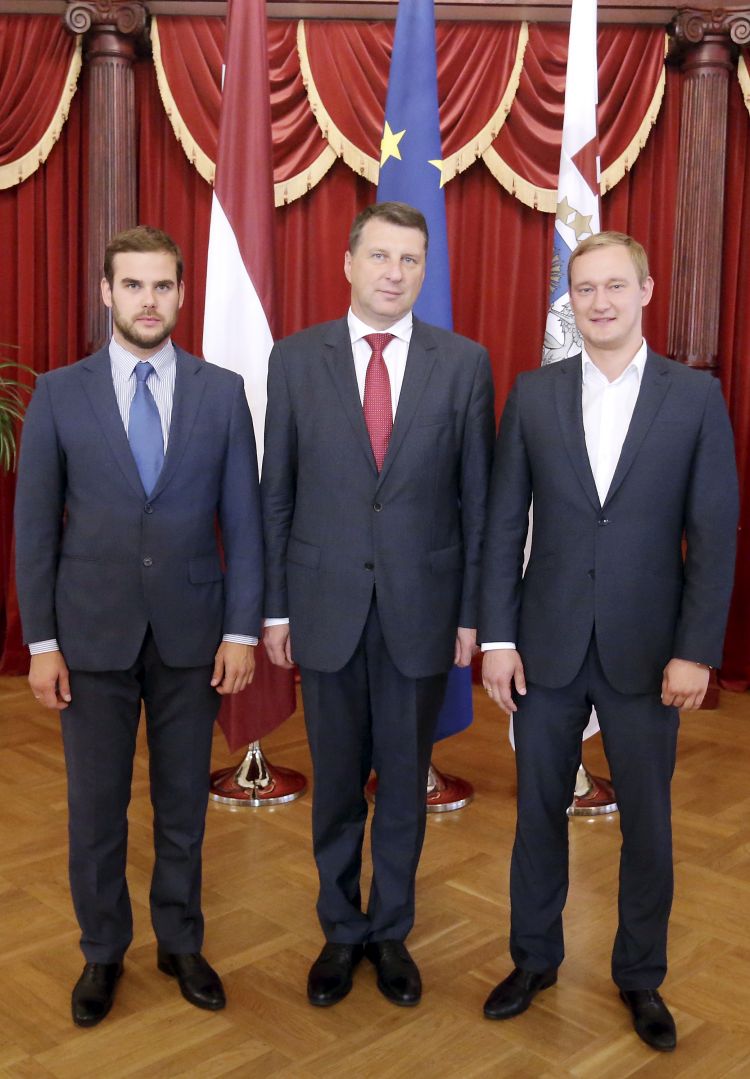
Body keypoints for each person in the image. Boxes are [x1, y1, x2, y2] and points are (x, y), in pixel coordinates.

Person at [480, 232, 738, 1051]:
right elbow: (502, 526)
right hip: (544, 646)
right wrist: (497, 637)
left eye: (615, 286)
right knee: (536, 815)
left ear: (646, 291)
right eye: (585, 288)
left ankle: (640, 974)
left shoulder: (694, 399)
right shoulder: (533, 394)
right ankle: (533, 958)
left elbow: (715, 532)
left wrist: (697, 650)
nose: (599, 302)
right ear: (572, 299)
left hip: (649, 654)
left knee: (649, 826)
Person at [14, 226, 263, 1027]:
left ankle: (181, 942)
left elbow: (245, 522)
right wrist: (42, 643)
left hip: (194, 635)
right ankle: (102, 949)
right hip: (90, 637)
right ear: (106, 292)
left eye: (162, 285)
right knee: (96, 808)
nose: (148, 301)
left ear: (181, 294)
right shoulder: (60, 393)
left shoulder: (222, 393)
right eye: (133, 285)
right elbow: (34, 529)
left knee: (183, 803)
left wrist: (242, 630)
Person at [262, 201, 495, 1008]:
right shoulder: (295, 359)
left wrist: (470, 613)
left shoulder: (464, 364)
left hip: (421, 612)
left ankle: (390, 929)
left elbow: (478, 503)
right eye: (381, 256)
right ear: (349, 263)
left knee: (402, 783)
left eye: (411, 259)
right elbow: (276, 493)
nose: (395, 273)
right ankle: (340, 928)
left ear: (425, 270)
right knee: (335, 786)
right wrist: (275, 611)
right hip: (323, 608)